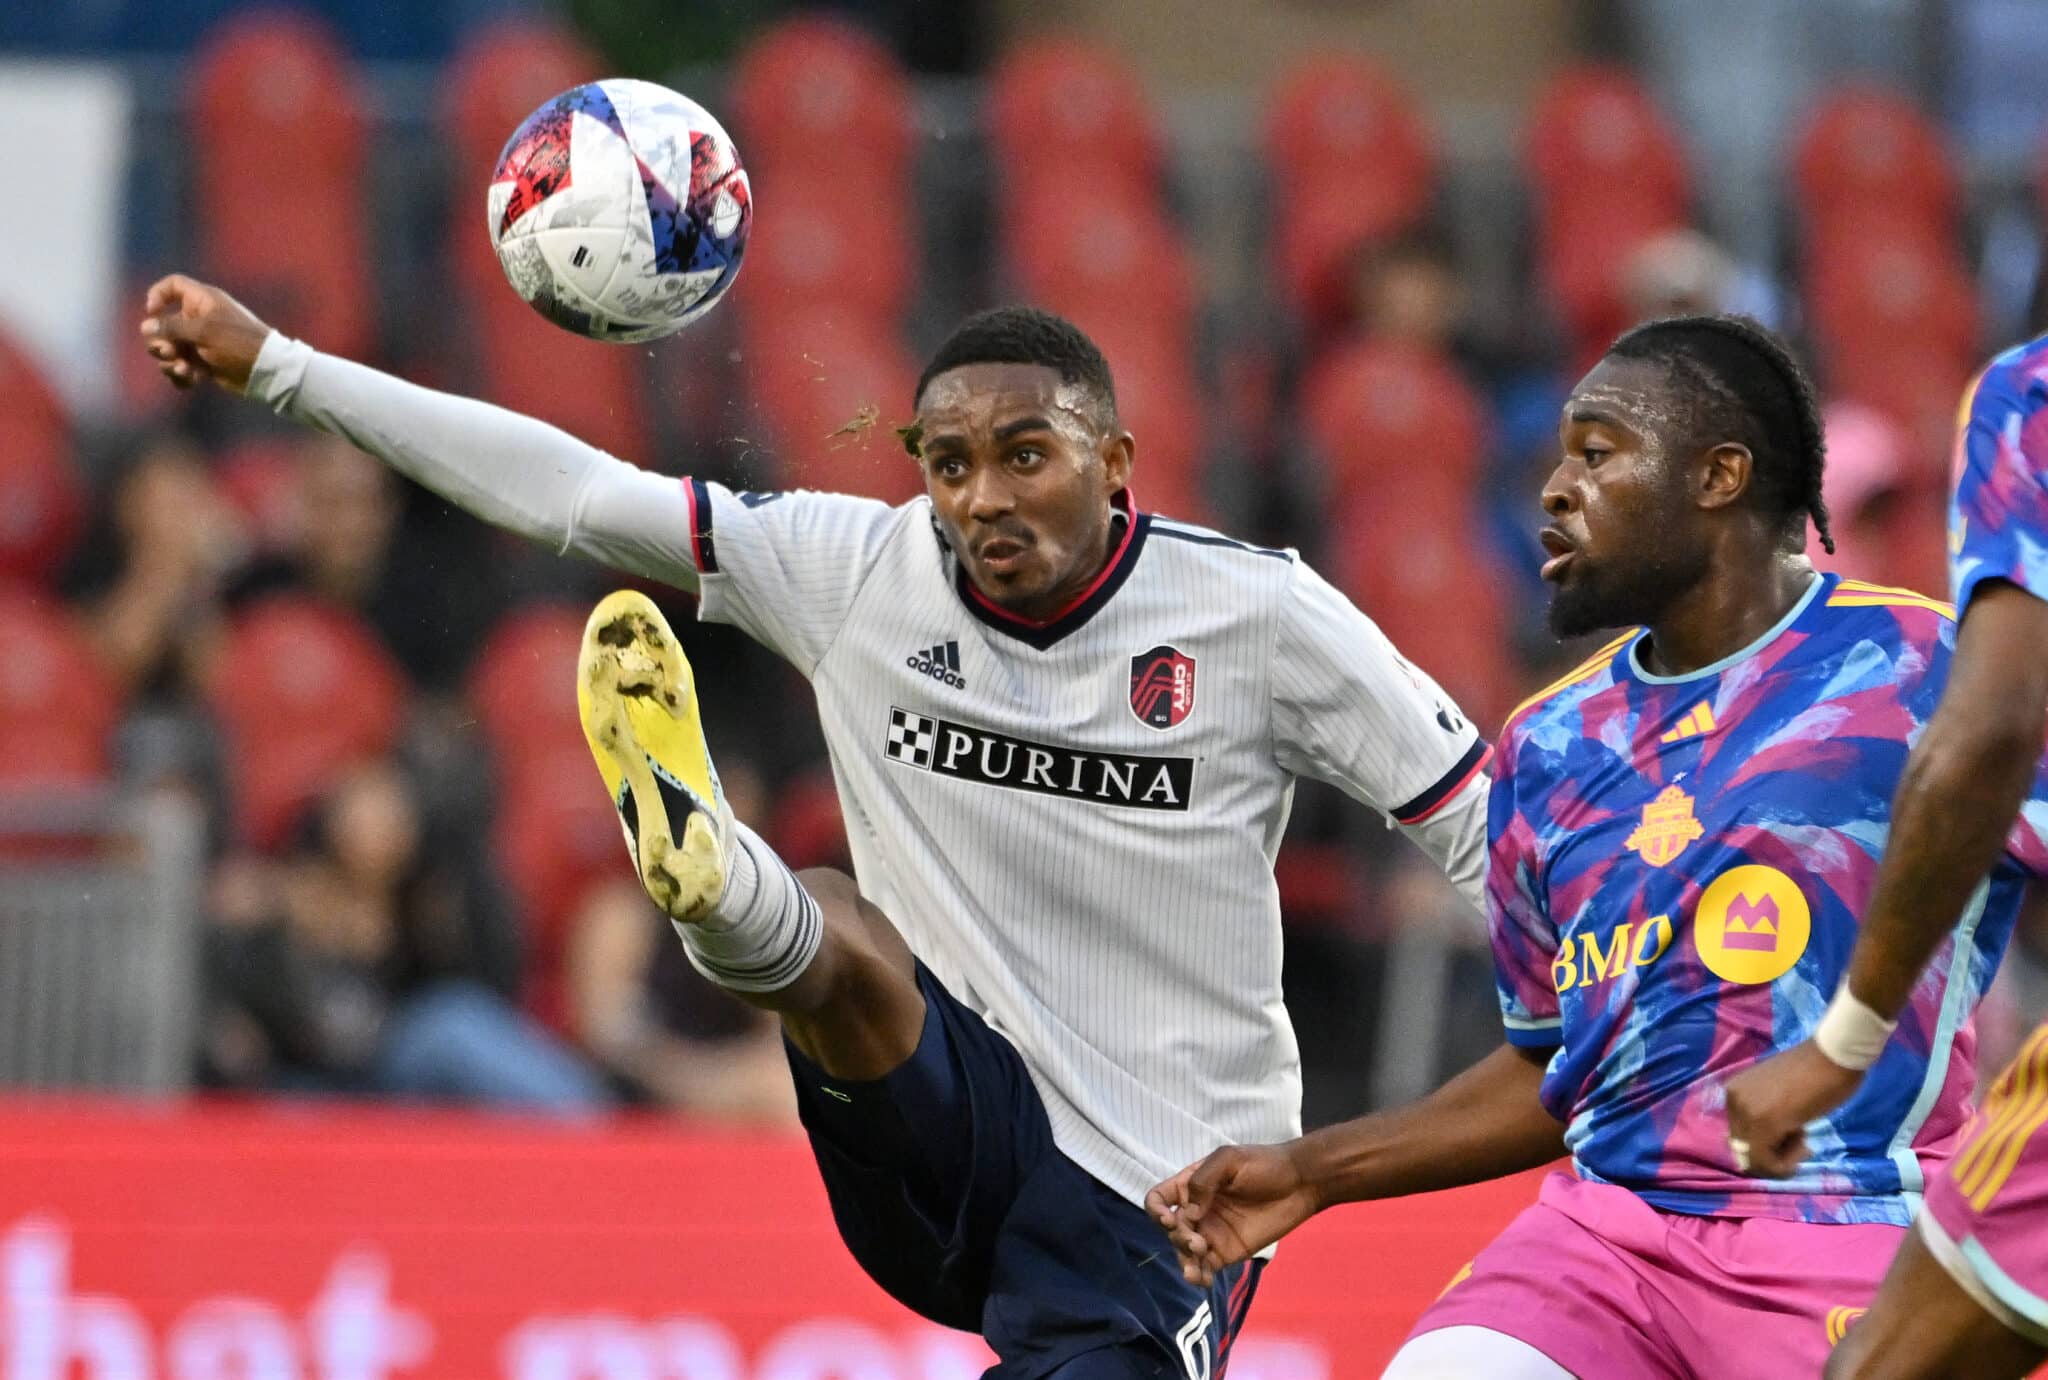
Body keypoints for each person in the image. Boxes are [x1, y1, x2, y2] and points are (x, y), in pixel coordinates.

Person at [139, 275, 1492, 1378]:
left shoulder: (1259, 618)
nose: (982, 499)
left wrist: (1635, 1014)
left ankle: (730, 889)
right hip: (938, 1114)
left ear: (1117, 461)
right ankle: (713, 879)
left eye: (1026, 455)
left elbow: (1486, 832)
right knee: (837, 925)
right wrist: (282, 368)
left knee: (839, 934)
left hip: (1165, 1184)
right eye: (949, 464)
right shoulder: (861, 568)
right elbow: (572, 491)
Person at [1145, 314, 2048, 1380]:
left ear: (1717, 476)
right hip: (1601, 1243)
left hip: (1846, 1224)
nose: (1553, 488)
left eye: (1597, 450)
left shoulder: (1926, 672)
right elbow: (1561, 1064)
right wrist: (1315, 1172)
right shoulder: (1548, 745)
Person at [1726, 336, 2048, 1380]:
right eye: (1853, 511)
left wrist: (1840, 1041)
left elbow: (1985, 745)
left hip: (1877, 1123)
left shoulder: (2028, 402)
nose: (1867, 535)